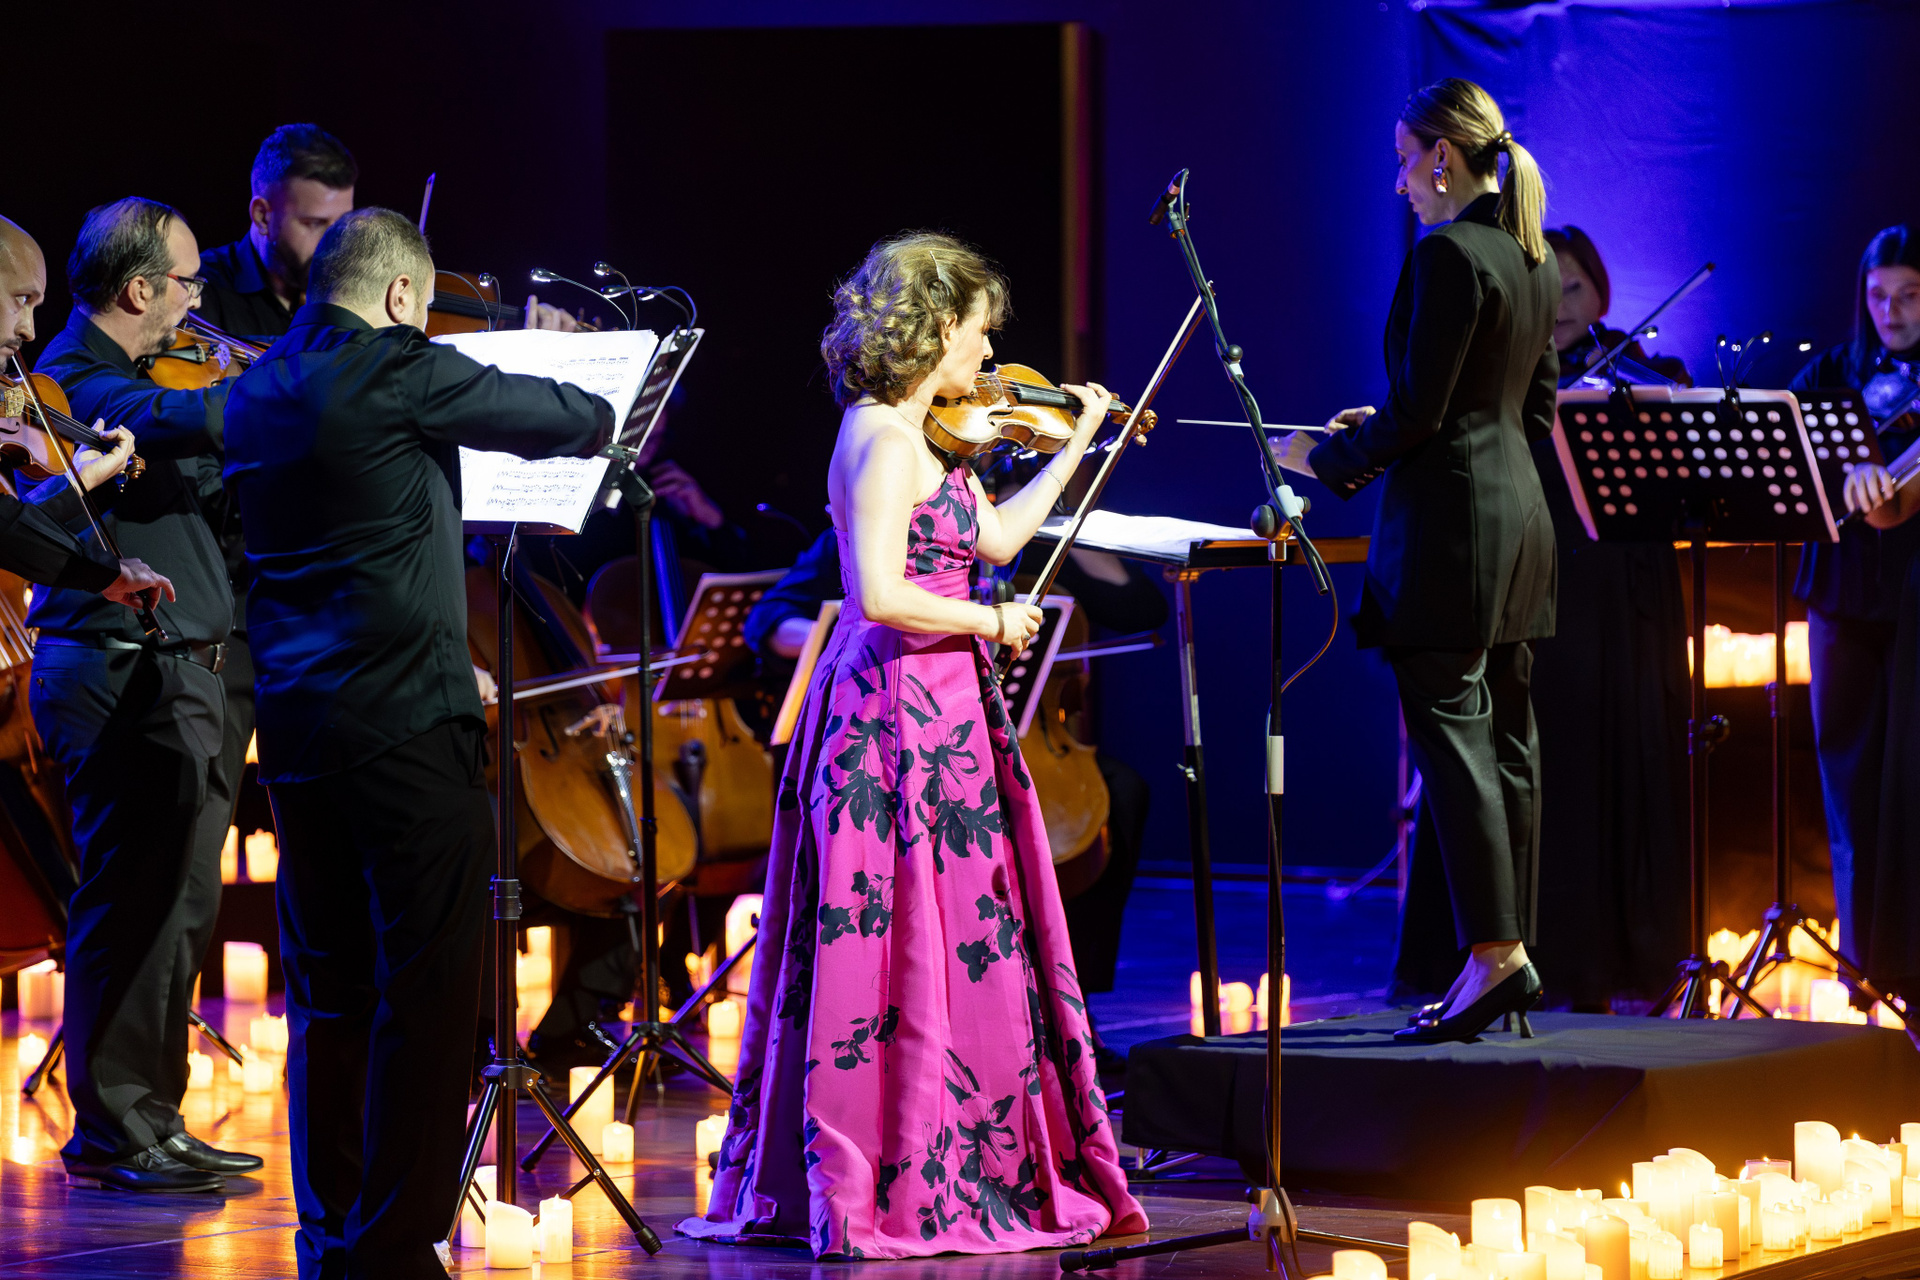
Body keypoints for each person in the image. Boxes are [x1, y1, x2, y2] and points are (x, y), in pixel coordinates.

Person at [678, 232, 1144, 1258]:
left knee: (956, 929)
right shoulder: (884, 440)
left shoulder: (929, 437)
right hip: (890, 714)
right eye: (979, 332)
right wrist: (992, 620)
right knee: (892, 936)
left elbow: (998, 541)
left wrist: (1075, 446)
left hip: (945, 713)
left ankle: (950, 1151)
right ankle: (889, 1170)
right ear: (935, 327)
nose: (990, 354)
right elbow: (880, 595)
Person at [223, 207, 614, 1279]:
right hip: (406, 727)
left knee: (330, 995)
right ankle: (394, 1248)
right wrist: (562, 362)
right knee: (432, 996)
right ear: (402, 296)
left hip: (299, 736)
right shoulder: (400, 367)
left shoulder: (256, 387)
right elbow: (574, 416)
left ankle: (332, 1235)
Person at [1274, 78, 1558, 1044]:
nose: (1399, 182)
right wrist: (1397, 424)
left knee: (1456, 749)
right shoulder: (1533, 255)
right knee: (1509, 747)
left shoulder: (1446, 252)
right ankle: (1508, 956)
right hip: (1520, 526)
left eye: (1404, 160)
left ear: (1443, 155)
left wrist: (1322, 457)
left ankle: (1495, 957)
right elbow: (1526, 413)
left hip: (1452, 538)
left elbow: (1423, 415)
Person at [1397, 226, 1694, 1009]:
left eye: (1574, 288)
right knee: (1507, 764)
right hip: (1511, 589)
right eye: (1544, 287)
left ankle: (1596, 959)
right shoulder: (1486, 365)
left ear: (1600, 292)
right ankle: (1489, 955)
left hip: (1606, 608)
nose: (1559, 306)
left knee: (1591, 769)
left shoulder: (1643, 375)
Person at [742, 527, 1159, 1070]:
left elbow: (1141, 609)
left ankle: (1071, 1011)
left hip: (1023, 733)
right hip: (913, 727)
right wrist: (847, 630)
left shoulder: (1028, 535)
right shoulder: (881, 521)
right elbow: (766, 620)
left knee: (1120, 798)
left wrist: (1071, 531)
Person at [30, 198, 249, 1194]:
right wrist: (266, 394)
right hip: (119, 668)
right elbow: (157, 419)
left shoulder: (154, 375)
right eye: (189, 282)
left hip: (183, 671)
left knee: (180, 905)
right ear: (138, 290)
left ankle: (153, 1115)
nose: (200, 303)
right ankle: (113, 1128)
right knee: (130, 903)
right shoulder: (69, 381)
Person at [1790, 224, 1920, 995]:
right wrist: (1839, 474)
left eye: (1908, 296)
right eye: (1878, 296)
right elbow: (1790, 462)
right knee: (1848, 783)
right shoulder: (1831, 375)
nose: (1891, 312)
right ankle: (1866, 972)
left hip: (1913, 597)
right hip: (1840, 596)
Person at [0, 216, 173, 605]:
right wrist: (103, 572)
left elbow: (7, 525)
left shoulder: (8, 396)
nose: (29, 330)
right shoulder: (76, 365)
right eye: (21, 299)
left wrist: (76, 482)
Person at [1549, 226, 1691, 388]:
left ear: (1598, 284)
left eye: (1572, 288)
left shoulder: (1613, 347)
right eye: (1542, 296)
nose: (1558, 308)